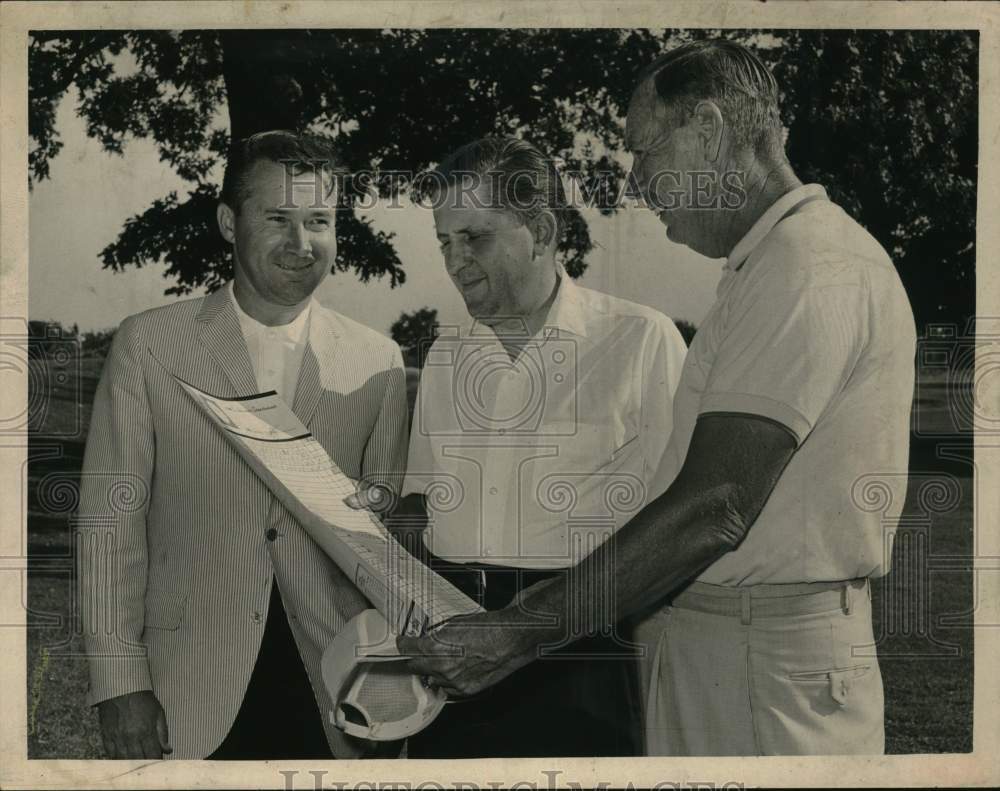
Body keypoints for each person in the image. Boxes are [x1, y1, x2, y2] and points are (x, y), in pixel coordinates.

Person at [397, 40, 917, 756]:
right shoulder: (772, 264)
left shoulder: (807, 265)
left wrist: (515, 632)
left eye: (645, 151)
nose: (637, 181)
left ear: (706, 129)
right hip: (722, 645)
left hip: (756, 656)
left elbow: (715, 504)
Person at [76, 130, 409, 760]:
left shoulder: (379, 361)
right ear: (230, 223)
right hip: (189, 689)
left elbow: (385, 543)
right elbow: (110, 527)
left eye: (318, 220)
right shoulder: (150, 344)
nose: (301, 243)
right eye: (278, 218)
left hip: (338, 693)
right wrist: (120, 683)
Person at [389, 136, 687, 757]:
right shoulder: (444, 356)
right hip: (453, 661)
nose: (455, 262)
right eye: (444, 242)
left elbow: (677, 525)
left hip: (580, 657)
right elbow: (420, 507)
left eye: (474, 238)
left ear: (543, 232)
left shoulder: (640, 341)